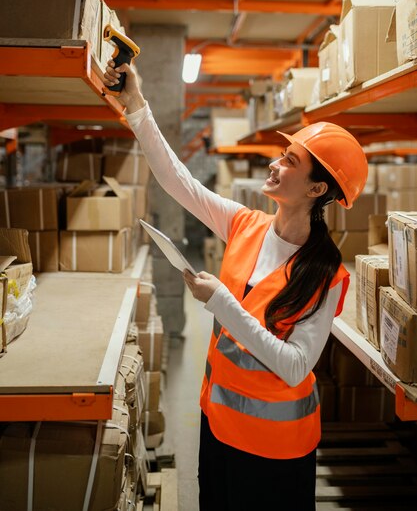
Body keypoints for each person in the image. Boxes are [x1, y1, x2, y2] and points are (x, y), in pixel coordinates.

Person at [104, 59, 368, 511]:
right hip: (218, 426)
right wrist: (137, 106)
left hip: (276, 450)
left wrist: (222, 302)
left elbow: (295, 366)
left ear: (316, 189)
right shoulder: (245, 224)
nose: (274, 163)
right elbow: (178, 181)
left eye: (289, 161)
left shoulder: (323, 273)